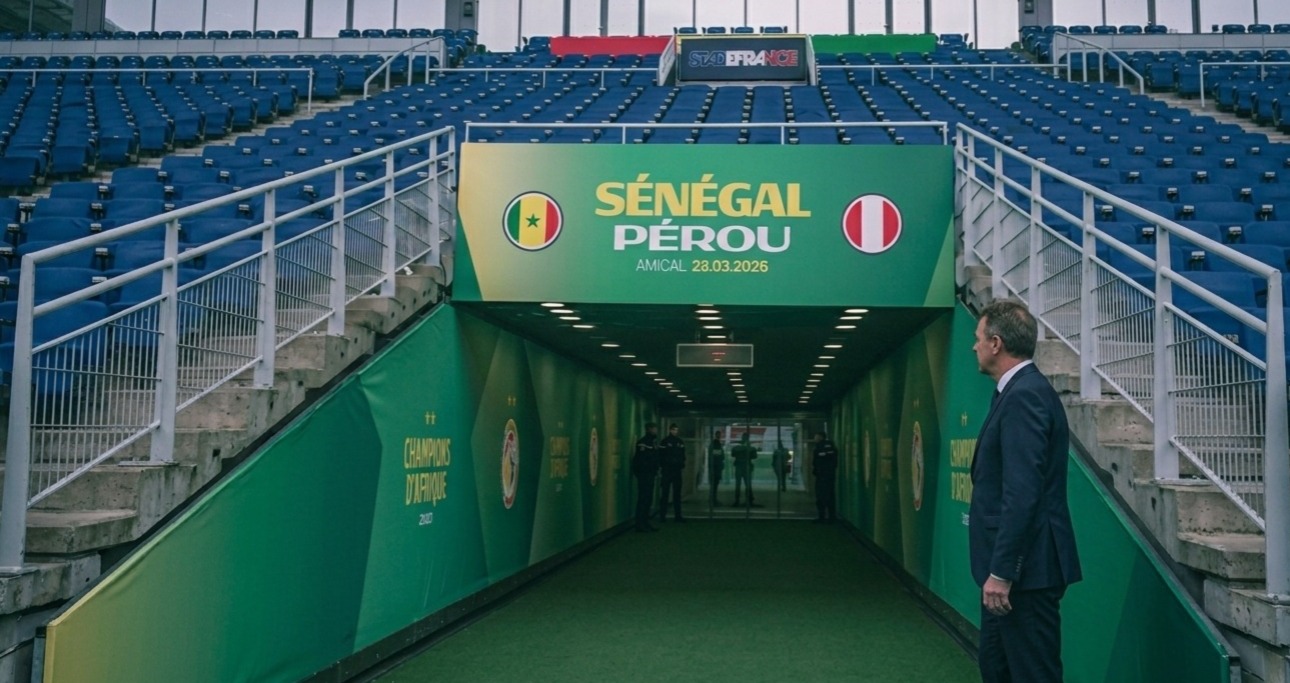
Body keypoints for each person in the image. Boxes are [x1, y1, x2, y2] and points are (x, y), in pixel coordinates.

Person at [969, 299, 1082, 683]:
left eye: (978, 338)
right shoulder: (1016, 392)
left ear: (996, 343)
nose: (974, 347)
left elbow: (1022, 491)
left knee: (1033, 673)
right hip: (1014, 574)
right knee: (997, 669)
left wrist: (1002, 571)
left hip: (1025, 575)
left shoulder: (1025, 396)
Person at [632, 423, 660, 532]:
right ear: (648, 429)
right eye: (654, 429)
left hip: (650, 474)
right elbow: (642, 460)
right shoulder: (643, 443)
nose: (655, 431)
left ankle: (645, 522)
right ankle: (640, 524)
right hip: (645, 475)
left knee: (648, 499)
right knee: (643, 499)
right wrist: (645, 471)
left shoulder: (652, 443)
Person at [657, 423, 686, 522]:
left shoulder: (679, 442)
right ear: (670, 430)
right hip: (668, 471)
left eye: (676, 430)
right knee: (665, 494)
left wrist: (681, 464)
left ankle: (677, 516)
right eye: (673, 429)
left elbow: (683, 455)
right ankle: (663, 516)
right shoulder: (665, 442)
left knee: (676, 495)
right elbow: (660, 456)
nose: (675, 431)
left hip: (674, 471)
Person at [811, 432, 837, 522]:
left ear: (820, 437)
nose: (814, 438)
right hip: (823, 474)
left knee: (825, 496)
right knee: (823, 496)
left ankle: (827, 517)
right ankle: (825, 516)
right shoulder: (820, 446)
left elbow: (826, 457)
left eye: (816, 436)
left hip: (825, 475)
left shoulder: (826, 446)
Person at [730, 433, 758, 507]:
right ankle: (748, 500)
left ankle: (738, 500)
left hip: (740, 466)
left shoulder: (737, 448)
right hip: (746, 467)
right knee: (747, 485)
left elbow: (733, 453)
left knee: (739, 485)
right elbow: (754, 456)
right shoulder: (749, 448)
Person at [707, 431, 725, 506]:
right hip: (716, 468)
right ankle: (713, 500)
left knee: (714, 485)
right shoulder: (716, 444)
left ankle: (712, 499)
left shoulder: (714, 444)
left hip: (714, 467)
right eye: (719, 435)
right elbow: (719, 455)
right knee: (714, 485)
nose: (720, 436)